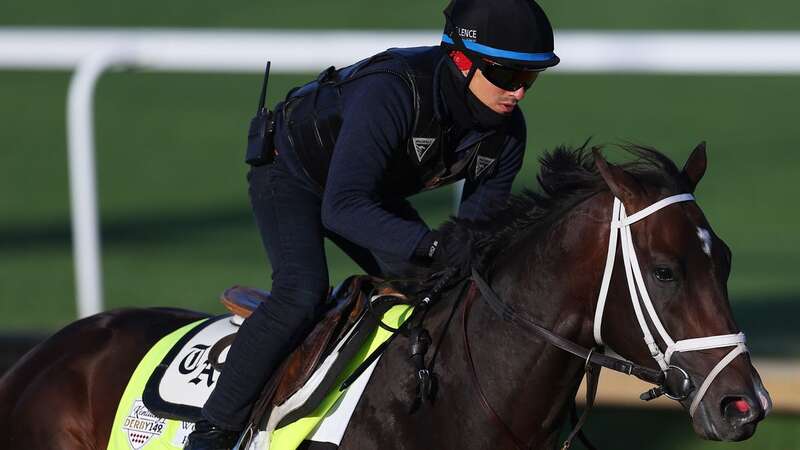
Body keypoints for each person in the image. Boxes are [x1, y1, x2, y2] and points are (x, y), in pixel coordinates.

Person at [186, 0, 559, 447]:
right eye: (506, 75)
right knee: (301, 292)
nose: (517, 92)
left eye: (529, 79)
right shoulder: (394, 91)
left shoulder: (507, 134)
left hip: (367, 190)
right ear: (461, 60)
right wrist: (434, 246)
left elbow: (475, 236)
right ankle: (212, 431)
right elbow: (341, 209)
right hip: (292, 174)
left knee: (443, 289)